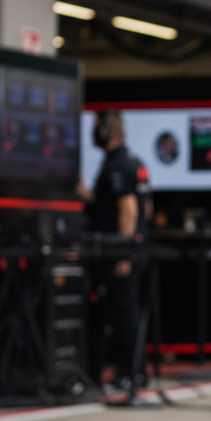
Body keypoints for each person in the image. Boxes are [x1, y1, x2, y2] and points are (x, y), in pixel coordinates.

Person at [78, 109, 151, 394]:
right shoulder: (129, 161)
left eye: (97, 127)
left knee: (123, 315)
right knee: (123, 313)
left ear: (109, 131)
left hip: (120, 255)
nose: (93, 132)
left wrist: (123, 254)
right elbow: (146, 207)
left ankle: (132, 374)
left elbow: (129, 210)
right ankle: (132, 373)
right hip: (132, 250)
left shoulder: (118, 165)